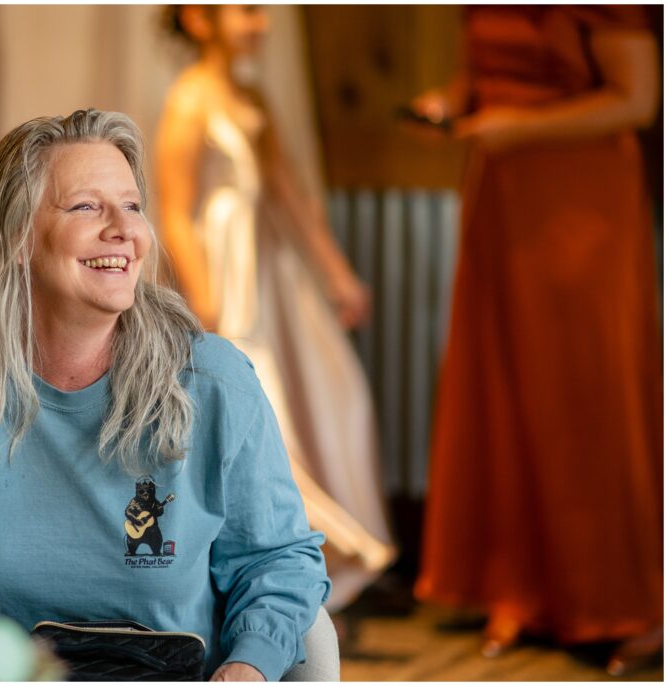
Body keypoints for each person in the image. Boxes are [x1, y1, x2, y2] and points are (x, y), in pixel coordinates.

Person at [0, 109, 330, 681]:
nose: (124, 230)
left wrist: (249, 667)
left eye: (131, 205)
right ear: (16, 238)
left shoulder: (213, 384)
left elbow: (277, 560)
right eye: (86, 206)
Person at [407, 5, 662, 674]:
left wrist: (524, 127)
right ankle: (519, 590)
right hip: (503, 196)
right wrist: (449, 103)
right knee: (506, 392)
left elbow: (639, 99)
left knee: (591, 396)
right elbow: (481, 75)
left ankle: (631, 602)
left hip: (585, 203)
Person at [155, 5, 394, 610]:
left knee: (333, 394)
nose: (260, 21)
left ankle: (321, 551)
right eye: (246, 8)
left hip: (264, 269)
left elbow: (289, 196)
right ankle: (297, 550)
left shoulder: (251, 94)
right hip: (221, 275)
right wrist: (202, 298)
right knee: (260, 410)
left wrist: (338, 275)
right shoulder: (189, 101)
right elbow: (175, 210)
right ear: (199, 18)